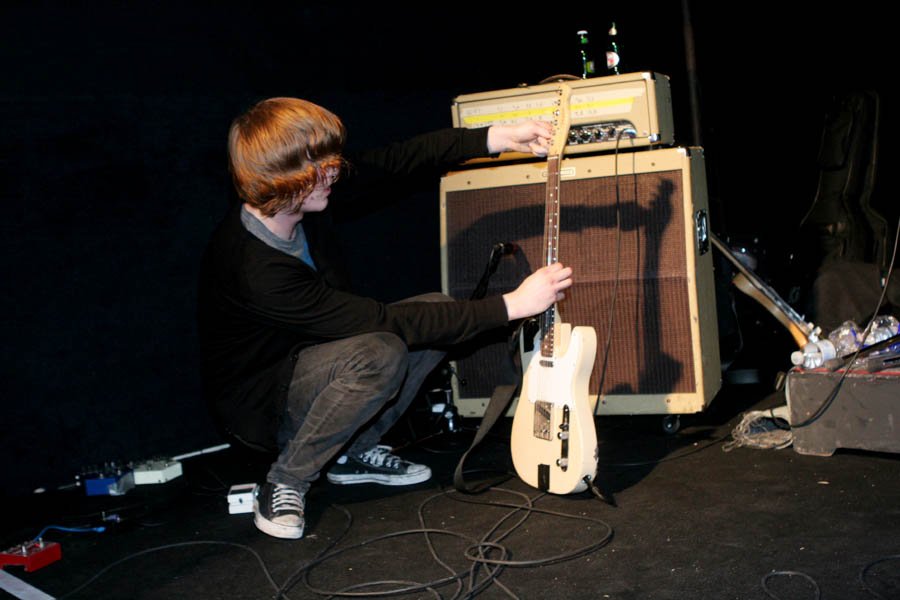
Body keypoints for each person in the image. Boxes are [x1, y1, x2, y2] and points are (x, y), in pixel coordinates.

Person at [198, 97, 573, 539]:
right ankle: (285, 482)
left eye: (330, 158)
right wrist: (511, 305)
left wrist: (499, 137)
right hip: (264, 404)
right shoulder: (254, 267)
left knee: (434, 309)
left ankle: (351, 452)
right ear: (283, 178)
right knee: (381, 350)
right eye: (319, 164)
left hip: (315, 359)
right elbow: (383, 321)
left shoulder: (305, 196)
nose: (334, 171)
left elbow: (402, 159)